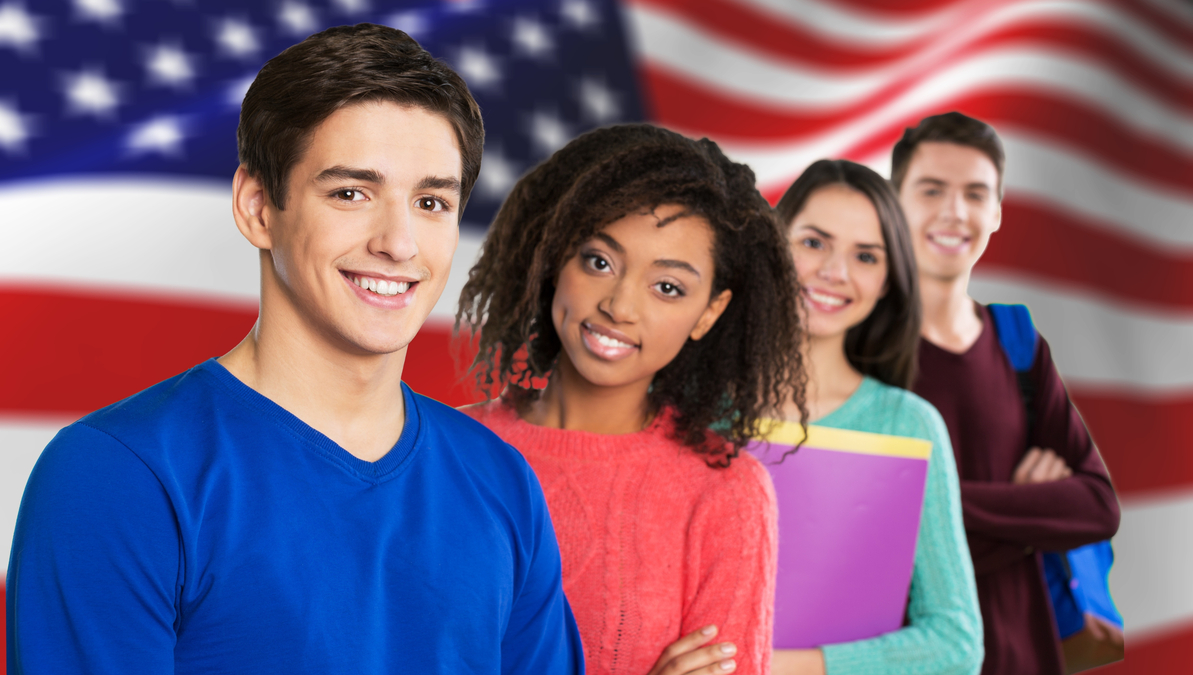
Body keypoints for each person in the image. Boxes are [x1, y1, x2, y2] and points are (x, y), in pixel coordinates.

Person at [6, 24, 583, 673]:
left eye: (431, 201)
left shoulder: (502, 481)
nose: (399, 243)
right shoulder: (118, 475)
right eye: (351, 193)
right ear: (258, 207)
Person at [456, 124, 807, 675]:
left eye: (667, 287)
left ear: (709, 313)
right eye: (599, 261)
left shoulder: (725, 494)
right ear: (557, 257)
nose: (619, 305)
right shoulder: (449, 450)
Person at [892, 111, 1121, 674]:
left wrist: (933, 505)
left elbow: (1096, 505)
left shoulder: (1018, 340)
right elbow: (870, 531)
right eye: (932, 190)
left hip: (1024, 653)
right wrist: (1029, 518)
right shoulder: (858, 347)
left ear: (996, 212)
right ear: (894, 205)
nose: (954, 211)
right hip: (906, 654)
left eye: (975, 194)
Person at [768, 160, 984, 675]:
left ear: (888, 281)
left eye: (865, 256)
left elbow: (957, 643)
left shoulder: (907, 425)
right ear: (773, 245)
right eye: (814, 242)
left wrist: (776, 667)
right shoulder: (691, 402)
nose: (834, 272)